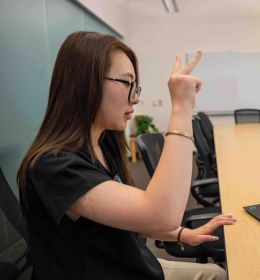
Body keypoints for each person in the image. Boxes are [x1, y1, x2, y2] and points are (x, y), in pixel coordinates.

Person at [17, 31, 235, 280]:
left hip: (129, 261)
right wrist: (182, 106)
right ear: (86, 83)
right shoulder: (54, 166)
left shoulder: (103, 144)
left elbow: (130, 216)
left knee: (218, 273)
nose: (136, 97)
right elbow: (160, 214)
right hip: (113, 270)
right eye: (126, 83)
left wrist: (179, 234)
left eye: (135, 85)